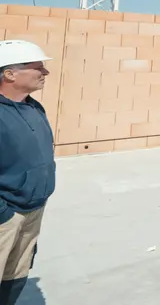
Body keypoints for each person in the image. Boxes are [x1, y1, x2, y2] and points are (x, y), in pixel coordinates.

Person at [0, 40, 56, 304]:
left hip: (33, 209)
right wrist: (4, 213)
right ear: (10, 74)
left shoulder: (34, 107)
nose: (45, 73)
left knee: (16, 274)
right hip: (6, 215)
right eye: (38, 68)